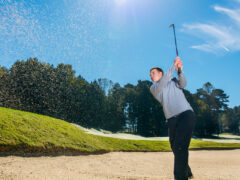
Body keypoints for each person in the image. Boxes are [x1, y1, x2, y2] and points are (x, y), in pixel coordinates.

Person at [149, 56, 196, 180]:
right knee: (175, 146)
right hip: (171, 120)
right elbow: (163, 83)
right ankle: (187, 171)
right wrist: (173, 66)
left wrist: (179, 70)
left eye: (153, 73)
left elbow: (184, 83)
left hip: (186, 114)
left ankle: (180, 177)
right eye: (150, 74)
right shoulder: (154, 88)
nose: (151, 76)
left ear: (161, 73)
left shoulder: (174, 81)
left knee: (180, 145)